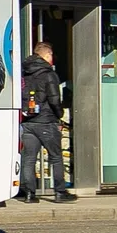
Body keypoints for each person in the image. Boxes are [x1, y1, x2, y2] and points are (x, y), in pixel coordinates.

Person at [18, 41, 72, 203]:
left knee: (29, 159)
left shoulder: (24, 73)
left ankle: (29, 194)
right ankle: (60, 192)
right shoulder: (49, 74)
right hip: (46, 121)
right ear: (47, 55)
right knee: (56, 157)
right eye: (51, 55)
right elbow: (54, 99)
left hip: (28, 122)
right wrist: (59, 114)